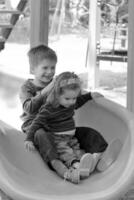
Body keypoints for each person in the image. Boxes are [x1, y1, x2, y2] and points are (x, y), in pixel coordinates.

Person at [24, 71, 122, 184]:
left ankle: (99, 157)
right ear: (57, 94)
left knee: (81, 147)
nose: (71, 102)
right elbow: (36, 123)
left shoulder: (69, 103)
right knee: (67, 154)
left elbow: (79, 101)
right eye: (68, 99)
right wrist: (29, 139)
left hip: (71, 138)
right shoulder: (48, 108)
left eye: (74, 98)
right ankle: (77, 167)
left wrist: (90, 95)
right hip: (58, 140)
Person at [19, 44, 69, 182]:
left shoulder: (56, 84)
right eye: (45, 68)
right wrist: (46, 90)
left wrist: (84, 93)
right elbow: (28, 108)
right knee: (42, 134)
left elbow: (69, 98)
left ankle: (93, 154)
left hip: (53, 124)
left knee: (76, 132)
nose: (50, 72)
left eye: (53, 67)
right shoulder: (27, 87)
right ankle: (56, 164)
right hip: (33, 125)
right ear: (32, 69)